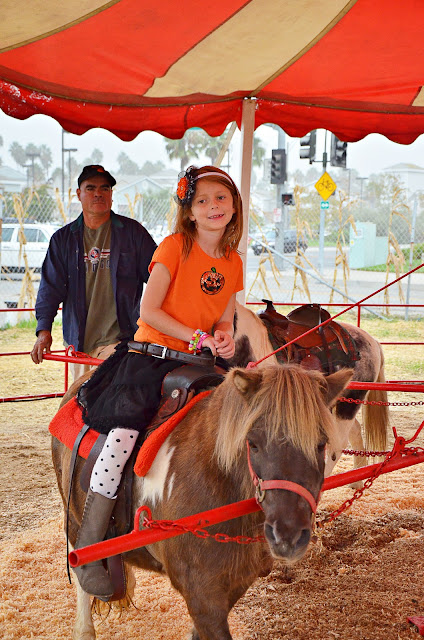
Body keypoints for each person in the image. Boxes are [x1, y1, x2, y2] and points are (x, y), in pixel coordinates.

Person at [73, 165, 244, 599]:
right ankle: (90, 543)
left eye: (220, 198)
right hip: (152, 359)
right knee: (124, 435)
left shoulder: (233, 260)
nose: (212, 207)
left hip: (198, 364)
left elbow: (224, 315)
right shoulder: (174, 247)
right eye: (202, 200)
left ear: (234, 206)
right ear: (189, 211)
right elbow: (148, 312)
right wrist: (199, 336)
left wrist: (224, 334)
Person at [30, 165, 157, 380]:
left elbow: (158, 278)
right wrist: (44, 331)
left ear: (111, 195)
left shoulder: (133, 233)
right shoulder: (63, 240)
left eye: (104, 188)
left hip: (121, 340)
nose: (98, 193)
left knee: (108, 394)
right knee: (82, 397)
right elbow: (50, 289)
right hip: (79, 342)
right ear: (78, 194)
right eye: (90, 188)